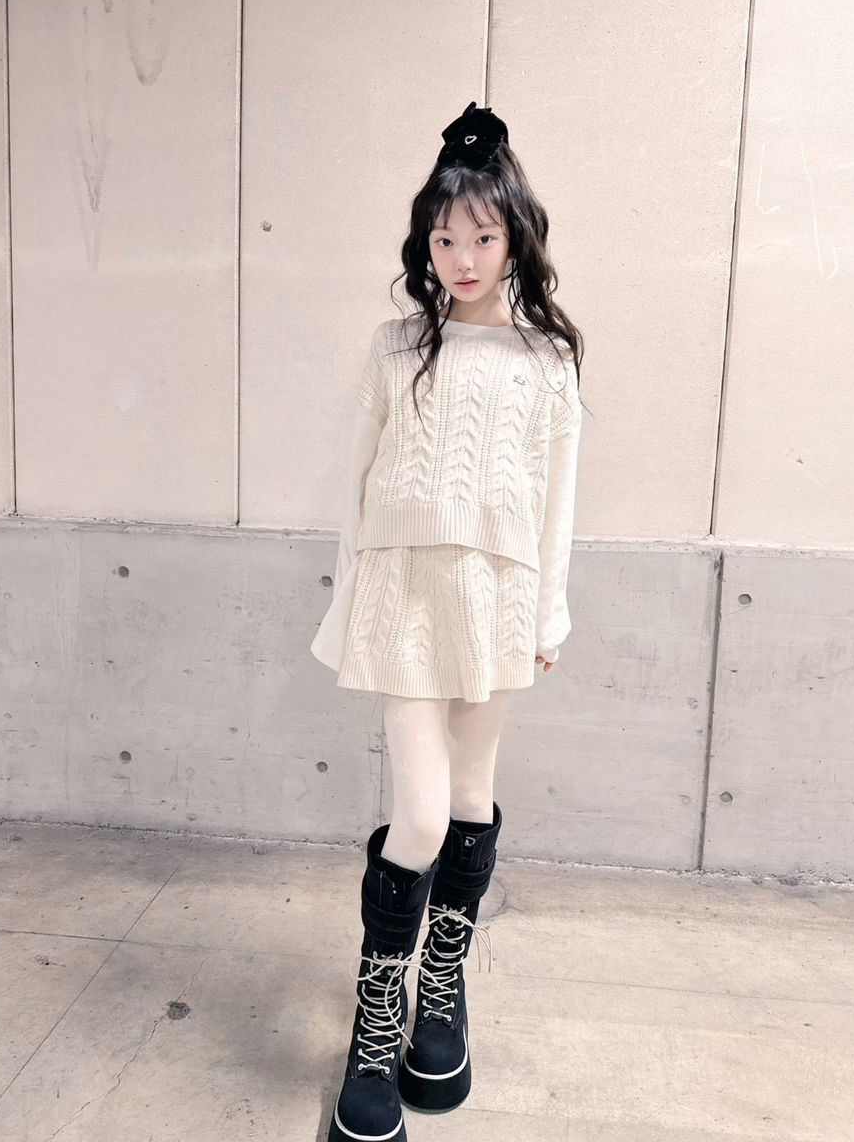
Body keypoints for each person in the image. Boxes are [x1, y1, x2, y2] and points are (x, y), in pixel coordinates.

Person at [311, 101, 585, 1142]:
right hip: (403, 596)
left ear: (514, 240)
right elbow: (355, 489)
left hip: (498, 600)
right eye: (444, 238)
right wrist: (352, 599)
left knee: (471, 799)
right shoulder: (395, 349)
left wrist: (547, 615)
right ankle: (376, 1025)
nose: (462, 258)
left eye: (481, 237)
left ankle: (442, 990)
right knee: (421, 815)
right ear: (424, 245)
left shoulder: (548, 359)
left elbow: (557, 502)